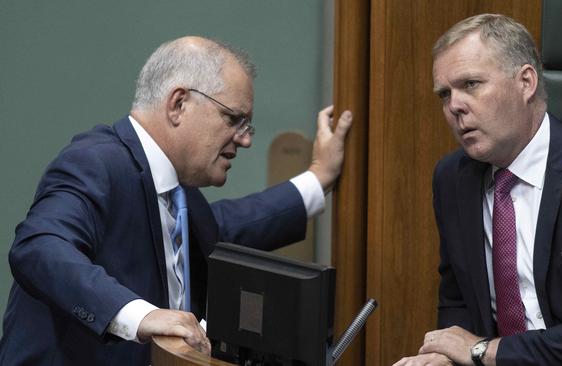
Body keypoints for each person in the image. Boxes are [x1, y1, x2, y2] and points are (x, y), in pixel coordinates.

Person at [0, 36, 353, 365]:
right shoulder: (96, 161)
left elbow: (230, 228)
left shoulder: (182, 197)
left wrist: (318, 177)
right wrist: (142, 315)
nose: (244, 140)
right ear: (179, 104)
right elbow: (40, 246)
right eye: (234, 119)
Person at [393, 14, 562, 366]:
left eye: (471, 84)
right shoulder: (453, 178)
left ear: (526, 82)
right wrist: (445, 356)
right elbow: (459, 299)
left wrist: (480, 351)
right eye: (445, 94)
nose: (454, 106)